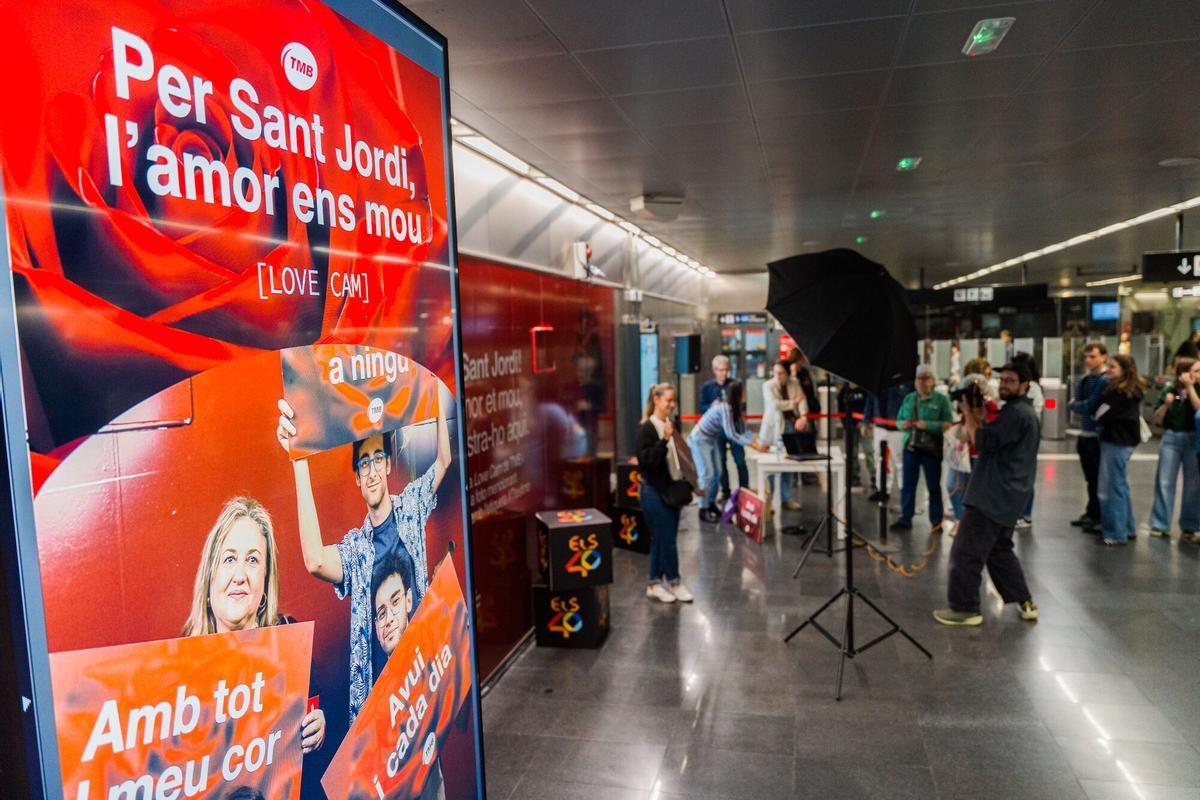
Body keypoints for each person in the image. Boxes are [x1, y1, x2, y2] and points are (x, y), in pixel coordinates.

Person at [276, 398, 452, 723]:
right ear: (357, 477)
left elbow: (443, 460)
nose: (371, 471)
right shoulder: (356, 550)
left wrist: (434, 397)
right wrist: (298, 459)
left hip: (422, 679)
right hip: (379, 708)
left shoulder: (412, 507)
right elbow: (314, 560)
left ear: (388, 464)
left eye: (377, 458)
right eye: (363, 464)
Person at [182, 497, 326, 754]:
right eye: (229, 559)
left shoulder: (290, 643)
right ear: (210, 577)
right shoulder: (181, 668)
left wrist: (318, 728)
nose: (240, 576)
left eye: (252, 560)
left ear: (265, 580)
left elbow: (310, 725)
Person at [934, 362, 1040, 626]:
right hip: (1008, 494)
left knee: (965, 552)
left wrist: (969, 413)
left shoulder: (1017, 414)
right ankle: (1025, 602)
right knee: (998, 550)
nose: (1004, 384)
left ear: (1025, 385)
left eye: (1011, 381)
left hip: (992, 495)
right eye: (1002, 379)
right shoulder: (1018, 412)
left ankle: (965, 608)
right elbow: (995, 439)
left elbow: (982, 441)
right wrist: (978, 415)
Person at [370, 551, 446, 800]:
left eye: (395, 602)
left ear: (409, 600)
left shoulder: (430, 658)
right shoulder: (374, 696)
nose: (389, 619)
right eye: (381, 613)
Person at [636, 383, 697, 603]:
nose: (672, 404)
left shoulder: (671, 424)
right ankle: (674, 581)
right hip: (653, 492)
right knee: (667, 540)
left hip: (671, 490)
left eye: (674, 400)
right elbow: (647, 461)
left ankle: (653, 582)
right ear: (656, 400)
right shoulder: (648, 429)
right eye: (668, 400)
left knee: (662, 539)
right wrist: (663, 440)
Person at [689, 380, 768, 521]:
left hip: (710, 439)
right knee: (706, 474)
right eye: (743, 392)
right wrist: (753, 444)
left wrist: (758, 442)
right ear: (738, 394)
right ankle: (703, 508)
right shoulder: (725, 408)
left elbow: (742, 430)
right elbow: (731, 434)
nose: (745, 394)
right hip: (699, 439)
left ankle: (711, 503)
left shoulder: (735, 408)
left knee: (717, 473)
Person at [892, 365, 954, 531]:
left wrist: (928, 425)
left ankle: (936, 521)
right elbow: (898, 421)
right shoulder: (909, 399)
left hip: (931, 449)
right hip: (911, 447)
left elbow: (948, 424)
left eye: (925, 378)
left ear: (933, 381)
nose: (921, 382)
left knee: (933, 486)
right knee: (908, 485)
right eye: (918, 378)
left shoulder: (941, 400)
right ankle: (905, 518)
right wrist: (903, 424)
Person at [1094, 353, 1146, 546]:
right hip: (1125, 441)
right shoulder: (1133, 390)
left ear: (1124, 370)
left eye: (1112, 367)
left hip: (1116, 441)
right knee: (1120, 486)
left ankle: (1115, 533)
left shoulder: (1120, 393)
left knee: (1109, 488)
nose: (1108, 370)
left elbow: (1101, 413)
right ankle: (1127, 527)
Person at [1148, 357, 1199, 539]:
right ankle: (1160, 524)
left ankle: (1190, 525)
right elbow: (1156, 419)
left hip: (1194, 439)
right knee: (1164, 481)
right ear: (1183, 373)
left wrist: (1191, 388)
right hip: (1171, 438)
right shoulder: (1169, 390)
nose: (1199, 374)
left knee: (1193, 484)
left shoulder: (1198, 389)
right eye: (1196, 370)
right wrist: (1166, 405)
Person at [1069, 341, 1109, 531]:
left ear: (1103, 357)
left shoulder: (1104, 380)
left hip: (1098, 436)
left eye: (1092, 356)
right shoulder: (1085, 379)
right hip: (1085, 434)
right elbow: (1078, 404)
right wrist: (1079, 405)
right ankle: (1091, 512)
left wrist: (1077, 405)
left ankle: (1099, 515)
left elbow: (1089, 406)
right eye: (1086, 356)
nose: (1088, 360)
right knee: (1090, 478)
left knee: (1098, 478)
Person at [699, 355, 748, 503]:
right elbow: (702, 408)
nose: (724, 373)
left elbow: (743, 406)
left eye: (727, 370)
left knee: (740, 461)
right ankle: (725, 491)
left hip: (734, 428)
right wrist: (712, 406)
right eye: (721, 370)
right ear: (715, 370)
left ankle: (744, 492)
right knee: (720, 462)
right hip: (718, 432)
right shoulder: (707, 387)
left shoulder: (735, 384)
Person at [760, 360, 808, 510]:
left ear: (787, 374)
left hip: (790, 425)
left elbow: (803, 400)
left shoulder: (794, 383)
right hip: (773, 429)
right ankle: (769, 502)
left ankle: (786, 499)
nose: (777, 376)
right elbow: (775, 404)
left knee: (789, 463)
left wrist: (803, 416)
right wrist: (793, 402)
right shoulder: (768, 385)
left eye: (781, 373)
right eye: (775, 372)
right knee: (771, 467)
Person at [862, 378, 912, 503]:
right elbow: (870, 399)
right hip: (881, 427)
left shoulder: (907, 379)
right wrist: (866, 420)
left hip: (899, 428)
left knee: (900, 461)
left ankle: (904, 492)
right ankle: (882, 490)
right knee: (880, 460)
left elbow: (913, 400)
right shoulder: (878, 378)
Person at [1010, 352, 1043, 528]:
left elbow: (1037, 412)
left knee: (1026, 475)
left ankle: (1025, 514)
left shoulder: (1034, 389)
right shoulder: (1014, 387)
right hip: (1013, 437)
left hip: (1026, 438)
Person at [787, 350, 821, 484]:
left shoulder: (805, 372)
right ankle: (795, 475)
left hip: (808, 411)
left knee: (808, 442)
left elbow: (809, 392)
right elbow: (794, 392)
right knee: (795, 443)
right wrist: (794, 374)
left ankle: (808, 474)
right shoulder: (791, 372)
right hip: (795, 413)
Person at [838, 381, 875, 492]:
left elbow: (869, 407)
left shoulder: (864, 390)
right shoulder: (844, 391)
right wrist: (847, 424)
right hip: (849, 426)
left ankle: (874, 475)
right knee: (851, 452)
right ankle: (853, 476)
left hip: (864, 425)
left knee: (869, 451)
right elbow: (841, 410)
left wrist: (865, 422)